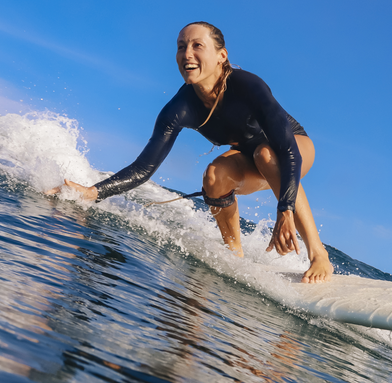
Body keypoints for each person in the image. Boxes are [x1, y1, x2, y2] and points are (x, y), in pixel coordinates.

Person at [48, 22, 333, 283]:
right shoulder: (179, 108)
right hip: (248, 156)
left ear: (221, 56)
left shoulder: (249, 87)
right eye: (181, 46)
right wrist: (93, 192)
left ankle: (319, 254)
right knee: (214, 177)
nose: (187, 54)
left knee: (265, 155)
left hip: (292, 147)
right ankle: (235, 255)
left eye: (197, 45)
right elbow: (144, 167)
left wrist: (284, 210)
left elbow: (287, 151)